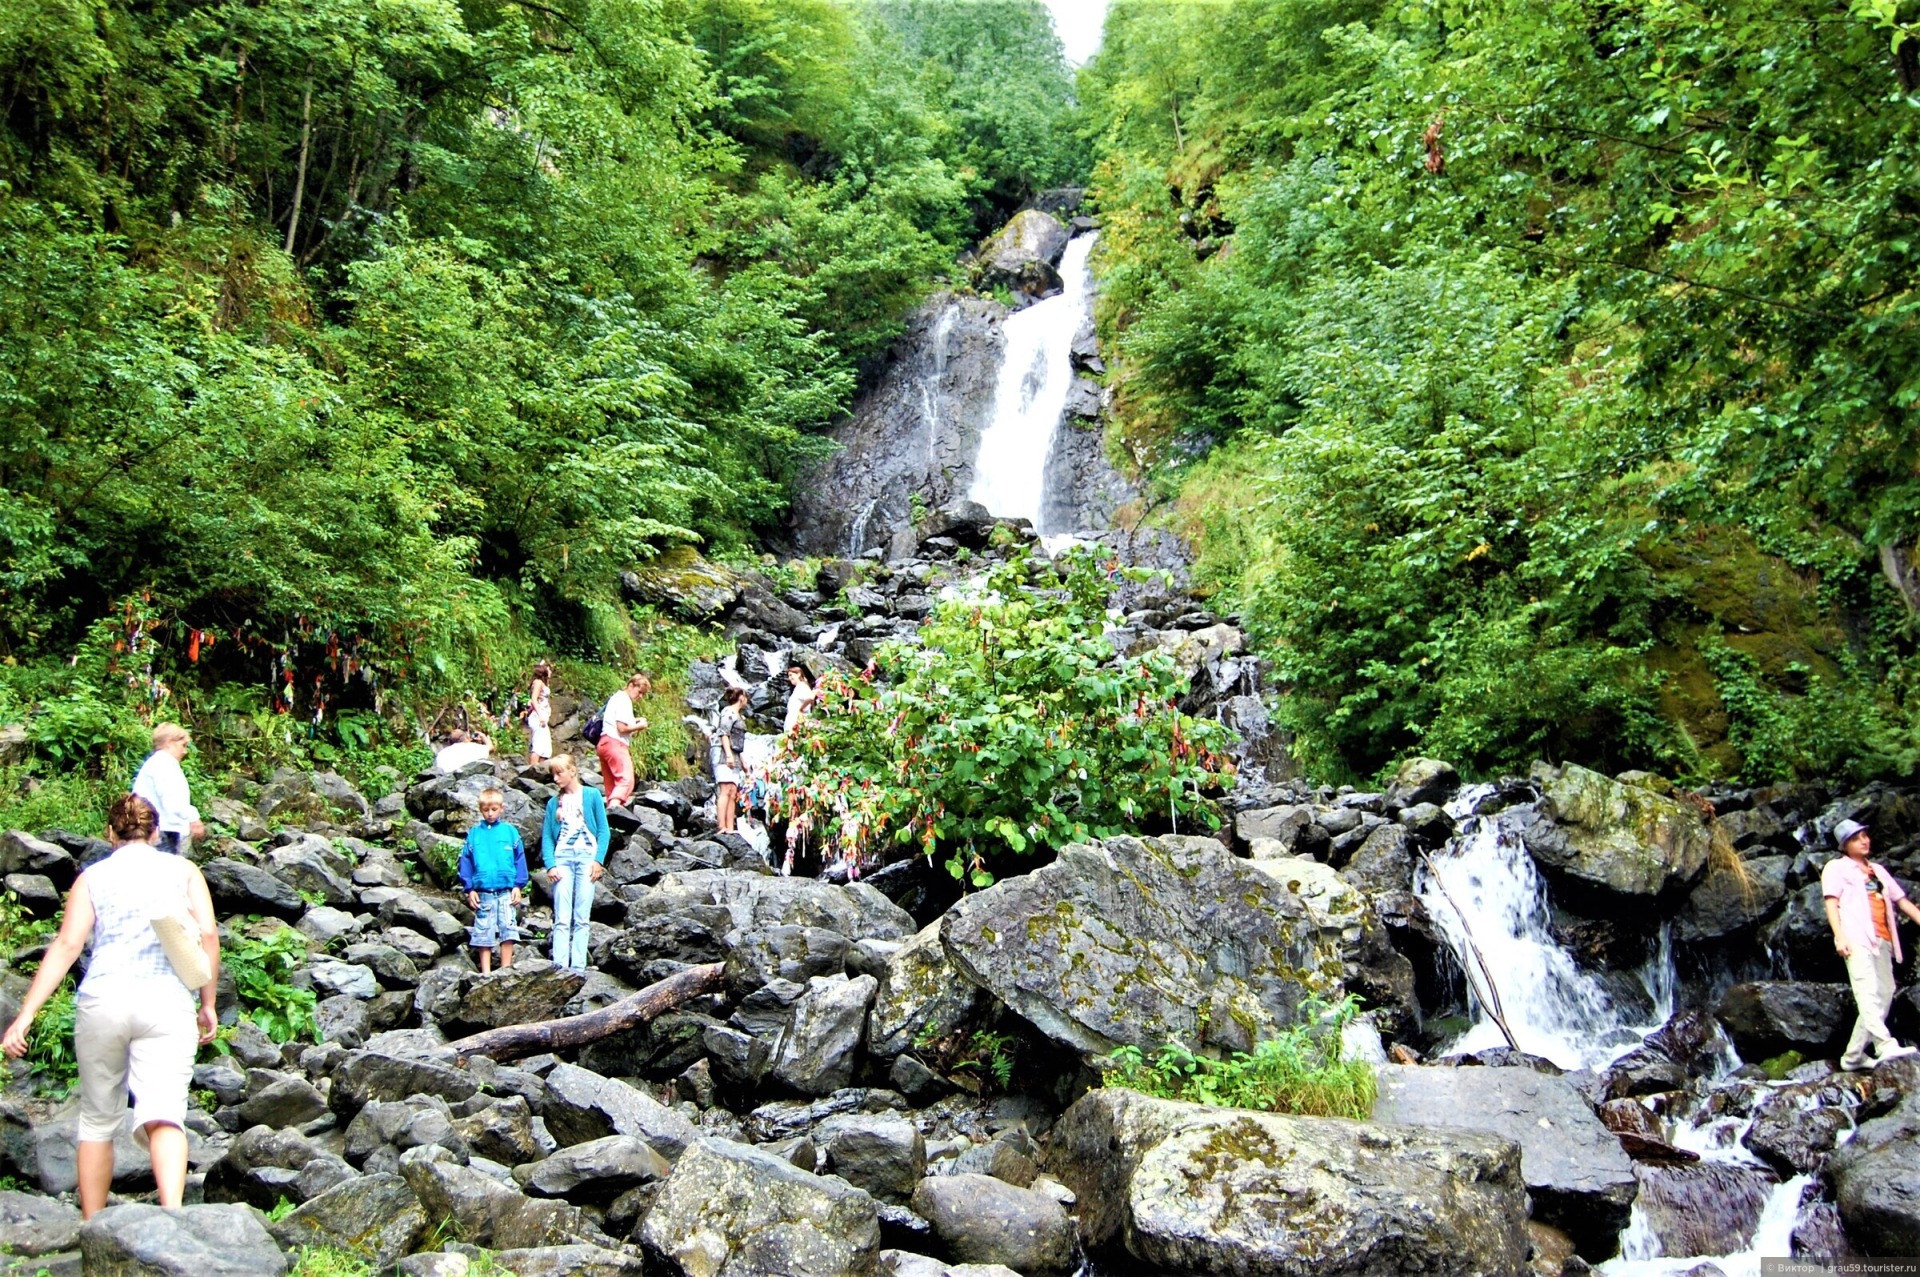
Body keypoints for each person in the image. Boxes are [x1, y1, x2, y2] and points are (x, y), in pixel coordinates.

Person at [2, 794, 218, 1217]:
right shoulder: (184, 871)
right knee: (164, 1114)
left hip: (103, 1000)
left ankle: (92, 1226)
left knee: (98, 1120)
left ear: (110, 833)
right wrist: (207, 1002)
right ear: (156, 832)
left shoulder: (92, 878)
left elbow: (68, 945)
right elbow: (208, 935)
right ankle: (173, 1217)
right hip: (165, 1000)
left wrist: (25, 1016)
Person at [1823, 818, 1920, 1070]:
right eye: (1856, 838)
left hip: (1882, 939)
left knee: (1884, 993)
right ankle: (1883, 1044)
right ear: (1844, 845)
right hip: (1856, 936)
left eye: (1865, 835)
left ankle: (1853, 1056)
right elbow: (1831, 903)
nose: (1864, 841)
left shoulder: (1877, 870)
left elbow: (1903, 902)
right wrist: (1839, 936)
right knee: (1866, 991)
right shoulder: (1836, 868)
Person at [540, 755, 608, 971]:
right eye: (553, 774)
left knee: (582, 916)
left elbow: (604, 831)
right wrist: (551, 865)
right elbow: (547, 837)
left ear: (572, 771)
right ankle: (560, 966)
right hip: (563, 858)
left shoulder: (592, 795)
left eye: (559, 773)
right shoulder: (553, 804)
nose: (555, 778)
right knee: (561, 915)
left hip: (587, 857)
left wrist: (598, 860)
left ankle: (578, 967)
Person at [459, 787, 528, 974]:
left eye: (494, 809)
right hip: (484, 892)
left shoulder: (510, 832)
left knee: (508, 927)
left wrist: (518, 885)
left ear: (501, 808)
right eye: (486, 810)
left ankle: (506, 970)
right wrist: (470, 889)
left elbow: (519, 859)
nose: (490, 814)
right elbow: (466, 861)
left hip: (506, 890)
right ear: (480, 810)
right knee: (484, 930)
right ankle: (486, 973)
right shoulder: (474, 834)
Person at [130, 724, 205, 855]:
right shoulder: (164, 764)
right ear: (169, 743)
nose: (185, 751)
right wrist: (194, 818)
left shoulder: (157, 762)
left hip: (153, 829)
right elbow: (172, 801)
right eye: (183, 745)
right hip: (160, 831)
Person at [596, 673, 650, 808]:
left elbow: (617, 721)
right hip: (615, 744)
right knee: (626, 780)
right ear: (631, 685)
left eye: (643, 694)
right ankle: (614, 807)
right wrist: (640, 726)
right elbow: (622, 728)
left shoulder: (616, 697)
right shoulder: (624, 700)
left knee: (611, 783)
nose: (640, 696)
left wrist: (635, 720)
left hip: (604, 743)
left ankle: (610, 812)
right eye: (639, 692)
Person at [714, 687, 748, 834]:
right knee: (725, 789)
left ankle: (730, 827)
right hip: (723, 753)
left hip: (735, 754)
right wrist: (728, 754)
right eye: (746, 697)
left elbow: (738, 742)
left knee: (733, 791)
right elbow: (723, 733)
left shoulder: (738, 715)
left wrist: (742, 761)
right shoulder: (728, 712)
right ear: (741, 697)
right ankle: (721, 826)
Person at [525, 661, 554, 766]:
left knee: (545, 746)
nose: (550, 672)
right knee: (538, 744)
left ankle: (541, 770)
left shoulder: (543, 683)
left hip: (542, 717)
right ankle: (532, 769)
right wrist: (541, 716)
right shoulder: (538, 682)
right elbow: (534, 699)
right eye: (549, 669)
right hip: (538, 717)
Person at [784, 660, 821, 735]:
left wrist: (800, 709)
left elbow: (811, 697)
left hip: (796, 724)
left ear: (798, 674)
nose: (789, 678)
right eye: (788, 676)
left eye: (791, 675)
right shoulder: (800, 687)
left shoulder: (801, 686)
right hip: (795, 724)